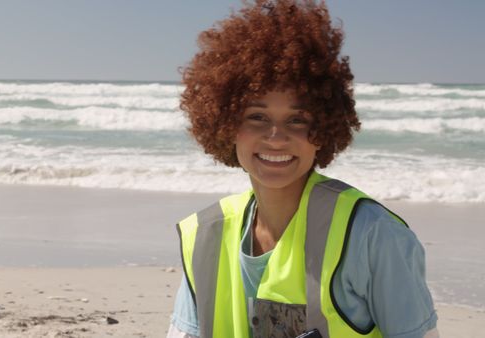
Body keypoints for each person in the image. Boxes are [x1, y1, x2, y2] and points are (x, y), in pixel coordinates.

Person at [167, 1, 439, 337]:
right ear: (226, 125)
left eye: (297, 119)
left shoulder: (374, 236)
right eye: (257, 116)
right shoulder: (204, 236)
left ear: (323, 130)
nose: (276, 138)